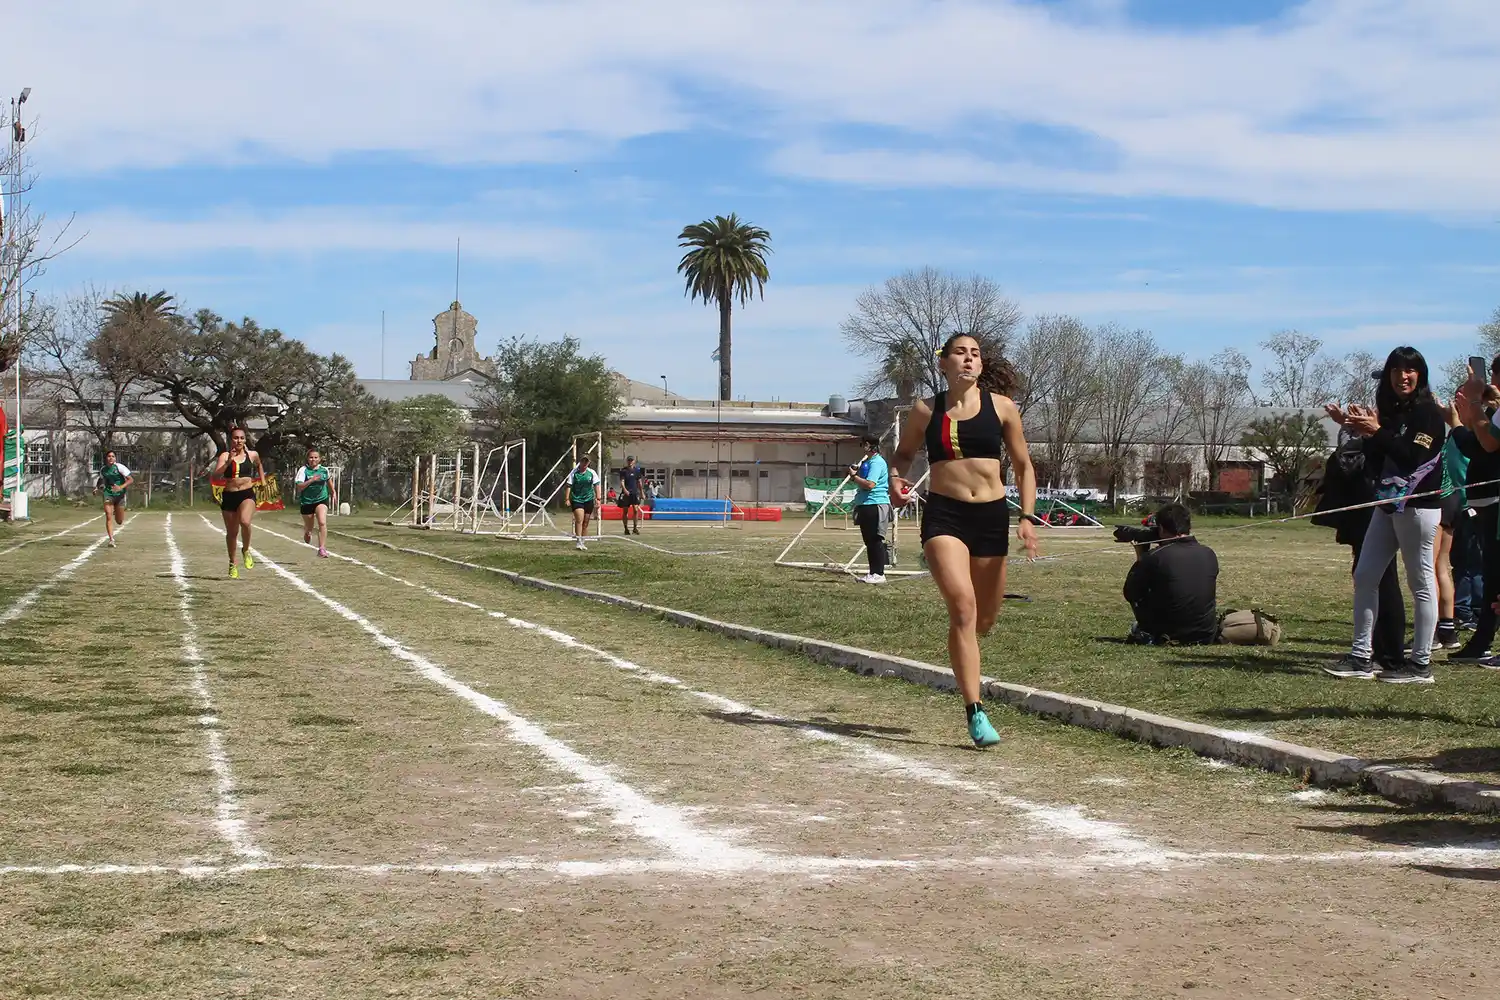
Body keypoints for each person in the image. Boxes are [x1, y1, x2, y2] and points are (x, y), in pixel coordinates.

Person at [890, 332, 1040, 748]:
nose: (969, 359)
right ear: (944, 363)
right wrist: (897, 479)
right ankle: (975, 710)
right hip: (945, 515)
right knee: (963, 607)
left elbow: (1024, 467)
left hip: (990, 517)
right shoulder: (926, 410)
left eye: (975, 354)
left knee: (984, 620)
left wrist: (1027, 517)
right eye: (960, 353)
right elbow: (903, 455)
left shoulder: (1002, 408)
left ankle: (969, 650)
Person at [1325, 346, 1447, 684]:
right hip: (1387, 503)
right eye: (1395, 370)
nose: (1402, 377)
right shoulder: (1392, 412)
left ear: (1420, 375)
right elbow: (1377, 459)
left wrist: (1377, 431)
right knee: (1366, 575)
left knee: (1420, 581)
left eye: (1409, 370)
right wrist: (1360, 429)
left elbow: (1411, 456)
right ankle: (1361, 656)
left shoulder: (1428, 414)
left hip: (1418, 506)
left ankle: (1420, 664)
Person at [1312, 428, 1406, 670]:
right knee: (1366, 577)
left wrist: (1361, 434)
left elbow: (1349, 466)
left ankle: (1388, 655)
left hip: (1372, 510)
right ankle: (1370, 652)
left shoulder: (1383, 436)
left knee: (1384, 580)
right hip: (1363, 513)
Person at [1448, 360, 1500, 663]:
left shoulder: (1491, 410)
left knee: (1491, 574)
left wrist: (1470, 408)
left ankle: (1481, 642)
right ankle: (1481, 642)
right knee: (1492, 574)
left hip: (1494, 501)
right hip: (1485, 503)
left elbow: (1484, 445)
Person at [1121, 503, 1219, 645]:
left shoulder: (1155, 557)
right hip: (1206, 634)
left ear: (1161, 528)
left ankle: (1148, 631)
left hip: (1168, 634)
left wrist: (1142, 555)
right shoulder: (1209, 553)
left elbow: (1131, 592)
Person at [1434, 399, 1466, 648]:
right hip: (1452, 499)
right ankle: (1447, 629)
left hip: (1441, 501)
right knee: (1441, 567)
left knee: (1429, 568)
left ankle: (1433, 630)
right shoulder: (1460, 436)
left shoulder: (1458, 436)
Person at [214, 427, 264, 579]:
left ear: (245, 439)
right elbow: (216, 474)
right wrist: (229, 461)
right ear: (231, 440)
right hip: (229, 496)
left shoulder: (252, 454)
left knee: (245, 521)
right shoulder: (225, 456)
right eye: (236, 438)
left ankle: (246, 550)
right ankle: (232, 562)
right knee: (232, 533)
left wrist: (262, 480)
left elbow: (259, 465)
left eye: (242, 438)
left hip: (246, 494)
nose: (239, 441)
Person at [848, 435, 892, 584]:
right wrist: (856, 472)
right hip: (865, 504)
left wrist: (854, 477)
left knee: (875, 540)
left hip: (875, 503)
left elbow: (870, 484)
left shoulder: (877, 462)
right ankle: (873, 572)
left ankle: (879, 573)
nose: (862, 448)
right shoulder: (867, 462)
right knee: (869, 541)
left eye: (863, 444)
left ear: (868, 445)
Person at [295, 446, 334, 558]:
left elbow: (329, 482)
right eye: (311, 457)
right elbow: (299, 487)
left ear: (320, 459)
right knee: (309, 526)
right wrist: (312, 480)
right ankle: (308, 532)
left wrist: (333, 493)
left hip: (321, 499)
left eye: (316, 457)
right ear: (307, 459)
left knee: (322, 522)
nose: (313, 459)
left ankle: (322, 549)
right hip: (307, 502)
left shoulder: (324, 470)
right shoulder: (303, 470)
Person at [92, 450, 133, 548]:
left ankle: (116, 511)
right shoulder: (103, 469)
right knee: (108, 515)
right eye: (109, 456)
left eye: (113, 456)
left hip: (120, 495)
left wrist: (121, 487)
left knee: (119, 521)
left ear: (115, 458)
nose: (111, 458)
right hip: (108, 493)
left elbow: (131, 479)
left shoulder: (119, 467)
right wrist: (97, 488)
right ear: (106, 458)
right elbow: (101, 480)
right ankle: (111, 539)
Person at [564, 455, 601, 550]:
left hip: (588, 499)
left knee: (586, 522)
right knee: (579, 520)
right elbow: (569, 485)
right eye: (583, 461)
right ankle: (578, 541)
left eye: (586, 461)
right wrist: (567, 498)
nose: (584, 463)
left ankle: (583, 541)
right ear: (580, 462)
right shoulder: (574, 473)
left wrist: (598, 498)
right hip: (577, 499)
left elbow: (596, 485)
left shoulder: (591, 473)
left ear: (589, 463)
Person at [620, 456, 646, 536]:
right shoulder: (624, 471)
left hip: (634, 492)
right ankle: (626, 528)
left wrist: (642, 492)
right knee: (625, 511)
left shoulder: (637, 471)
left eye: (631, 460)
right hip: (626, 492)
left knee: (635, 509)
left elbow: (639, 482)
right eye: (629, 460)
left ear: (634, 461)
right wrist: (625, 490)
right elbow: (622, 481)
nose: (630, 462)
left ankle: (635, 528)